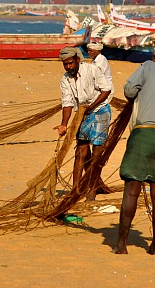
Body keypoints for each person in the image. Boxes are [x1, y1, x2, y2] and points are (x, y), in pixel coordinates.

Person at [115, 44, 155, 255]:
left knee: (132, 190)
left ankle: (122, 245)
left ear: (154, 57)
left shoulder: (147, 67)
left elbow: (128, 90)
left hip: (144, 133)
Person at [55, 46, 112, 201]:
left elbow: (106, 89)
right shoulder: (65, 79)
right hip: (82, 113)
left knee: (96, 154)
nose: (68, 67)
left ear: (77, 60)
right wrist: (64, 124)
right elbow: (67, 103)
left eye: (70, 63)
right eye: (65, 64)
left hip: (100, 111)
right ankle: (76, 190)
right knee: (80, 152)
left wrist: (91, 107)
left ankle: (92, 190)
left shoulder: (92, 70)